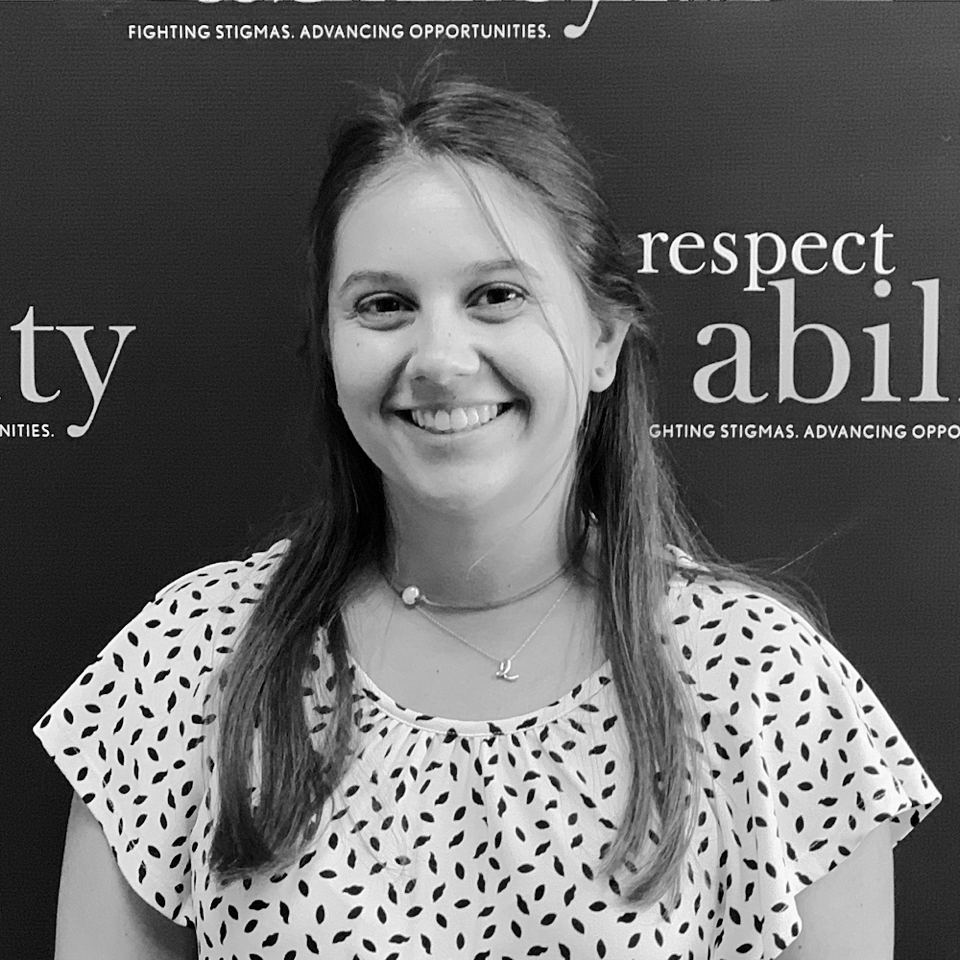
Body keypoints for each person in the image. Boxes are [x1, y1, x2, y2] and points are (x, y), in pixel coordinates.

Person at [36, 74, 939, 960]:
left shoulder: (767, 683)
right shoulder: (191, 660)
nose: (439, 357)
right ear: (331, 348)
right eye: (383, 305)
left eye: (496, 295)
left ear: (602, 340)